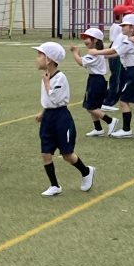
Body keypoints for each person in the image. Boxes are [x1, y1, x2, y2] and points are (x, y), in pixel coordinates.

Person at [33, 40, 95, 196]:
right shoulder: (46, 76)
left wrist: (47, 84)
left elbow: (55, 98)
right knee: (46, 153)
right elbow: (48, 100)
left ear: (49, 60)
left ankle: (86, 171)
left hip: (61, 118)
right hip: (49, 117)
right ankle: (54, 185)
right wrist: (43, 112)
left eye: (40, 55)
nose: (37, 58)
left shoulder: (59, 78)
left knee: (67, 154)